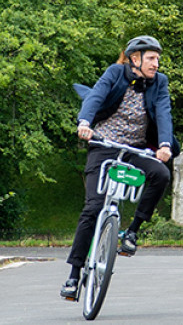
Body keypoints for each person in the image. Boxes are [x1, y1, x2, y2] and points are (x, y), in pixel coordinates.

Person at [60, 35, 174, 301]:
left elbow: (163, 112)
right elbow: (96, 96)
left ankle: (132, 231)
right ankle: (74, 276)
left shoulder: (160, 83)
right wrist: (85, 122)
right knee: (93, 207)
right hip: (103, 146)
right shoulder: (115, 73)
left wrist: (165, 144)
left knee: (160, 174)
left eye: (158, 59)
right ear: (135, 58)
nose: (156, 63)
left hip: (136, 150)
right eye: (152, 58)